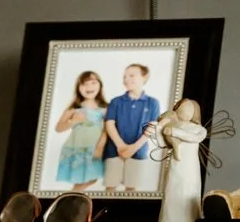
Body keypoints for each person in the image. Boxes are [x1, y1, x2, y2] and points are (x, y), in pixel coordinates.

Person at [102, 62, 163, 191]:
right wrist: (121, 146)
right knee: (110, 187)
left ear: (144, 77)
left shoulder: (153, 103)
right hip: (114, 151)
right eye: (125, 76)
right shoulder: (116, 101)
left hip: (138, 152)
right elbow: (109, 124)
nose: (127, 79)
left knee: (131, 188)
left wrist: (133, 148)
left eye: (131, 75)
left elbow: (152, 128)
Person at [53, 69, 108, 189]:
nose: (89, 86)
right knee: (79, 178)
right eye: (84, 83)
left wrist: (100, 146)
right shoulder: (74, 108)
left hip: (94, 148)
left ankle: (73, 196)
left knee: (93, 177)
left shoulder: (104, 108)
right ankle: (72, 197)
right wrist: (73, 121)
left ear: (100, 85)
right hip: (76, 149)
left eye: (93, 83)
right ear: (78, 87)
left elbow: (108, 128)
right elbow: (58, 128)